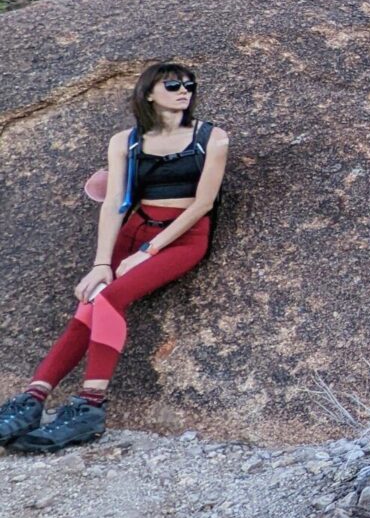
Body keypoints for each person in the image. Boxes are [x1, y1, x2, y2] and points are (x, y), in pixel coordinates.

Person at [0, 62, 229, 453]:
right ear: (149, 94)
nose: (183, 90)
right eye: (173, 85)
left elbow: (202, 204)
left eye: (188, 85)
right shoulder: (126, 141)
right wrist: (102, 263)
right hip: (135, 227)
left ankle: (90, 406)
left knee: (109, 298)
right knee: (90, 302)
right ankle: (33, 400)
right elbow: (113, 206)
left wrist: (148, 252)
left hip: (183, 237)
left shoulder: (212, 138)